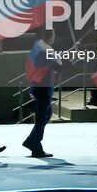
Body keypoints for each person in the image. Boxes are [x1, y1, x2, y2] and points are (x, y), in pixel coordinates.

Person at [22, 28, 55, 158]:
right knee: (41, 119)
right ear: (51, 37)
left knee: (46, 115)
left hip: (39, 88)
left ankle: (32, 141)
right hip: (43, 90)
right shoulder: (45, 51)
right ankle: (35, 146)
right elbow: (58, 66)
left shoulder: (38, 47)